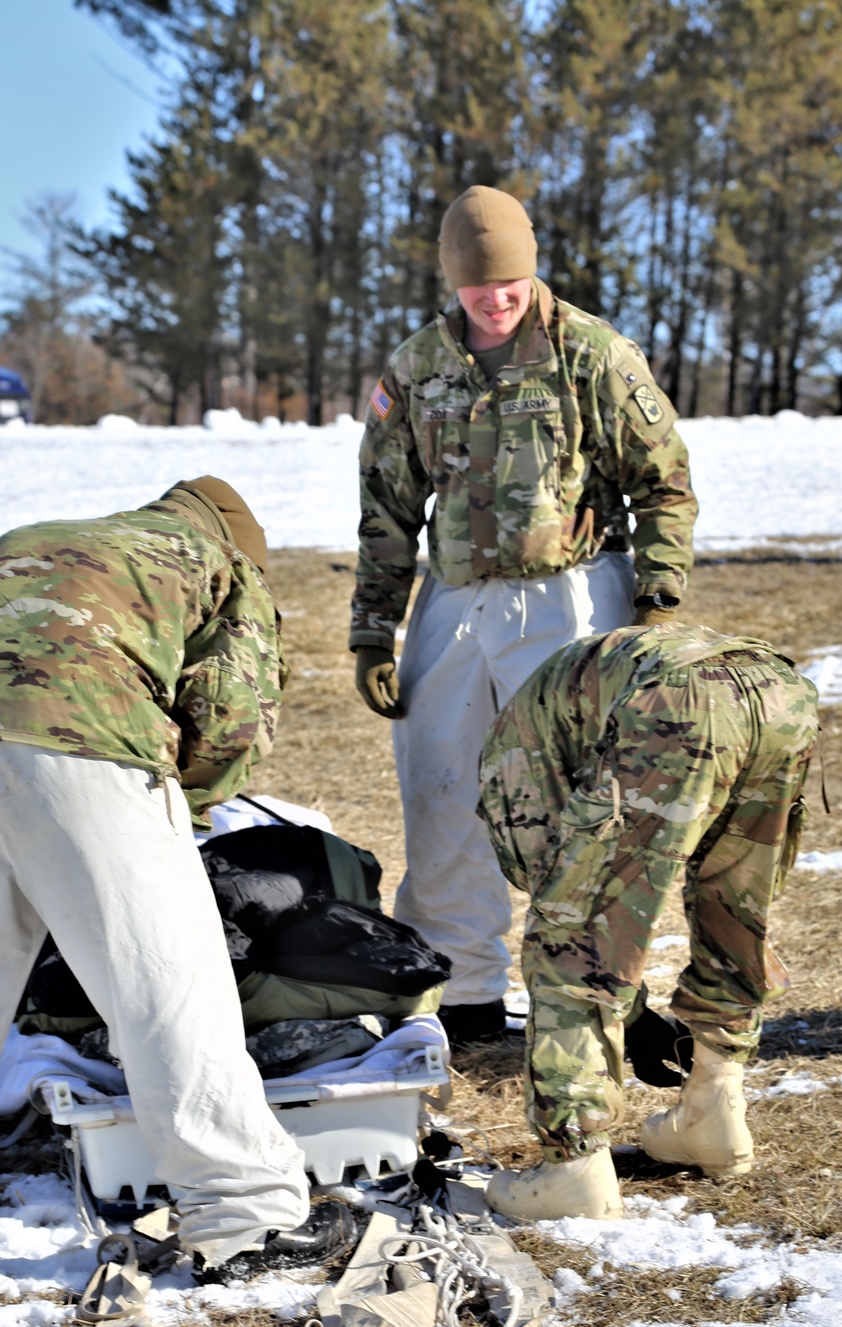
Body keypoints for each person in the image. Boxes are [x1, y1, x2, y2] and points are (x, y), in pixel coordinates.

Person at [0, 476, 349, 1270]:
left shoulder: (35, 536)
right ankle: (246, 1213)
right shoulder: (220, 562)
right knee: (168, 986)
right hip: (87, 743)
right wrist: (193, 806)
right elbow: (232, 709)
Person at [349, 184, 698, 1047]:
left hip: (572, 593)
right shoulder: (417, 367)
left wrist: (656, 600)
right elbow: (386, 507)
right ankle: (462, 993)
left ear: (531, 273)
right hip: (458, 602)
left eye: (509, 285)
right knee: (444, 791)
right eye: (478, 290)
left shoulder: (592, 353)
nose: (495, 302)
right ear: (451, 283)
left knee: (582, 798)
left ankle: (588, 992)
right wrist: (371, 630)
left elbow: (664, 483)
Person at [477, 623, 819, 1221]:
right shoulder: (560, 704)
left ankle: (572, 1169)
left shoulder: (512, 752)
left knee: (568, 932)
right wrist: (631, 1014)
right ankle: (710, 1114)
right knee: (734, 912)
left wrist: (622, 1009)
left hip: (681, 700)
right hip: (779, 691)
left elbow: (560, 895)